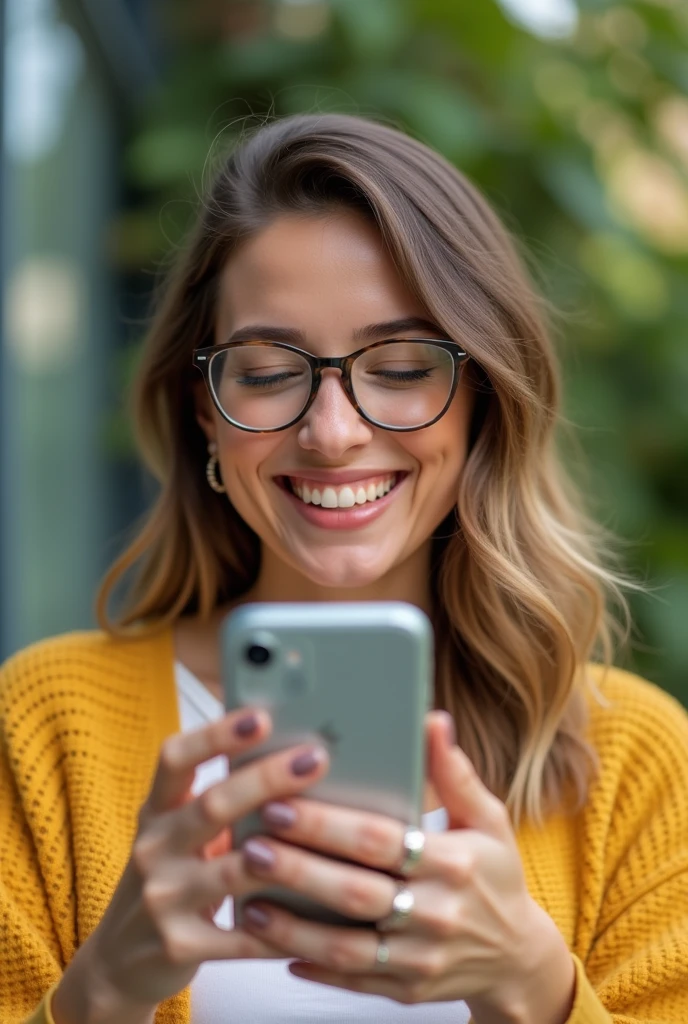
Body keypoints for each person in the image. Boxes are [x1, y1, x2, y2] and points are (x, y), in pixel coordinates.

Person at [1, 113, 686, 1024]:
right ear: (204, 411)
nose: (333, 433)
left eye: (401, 366)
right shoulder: (47, 726)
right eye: (267, 370)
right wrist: (101, 994)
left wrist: (534, 990)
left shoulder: (635, 762)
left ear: (483, 398)